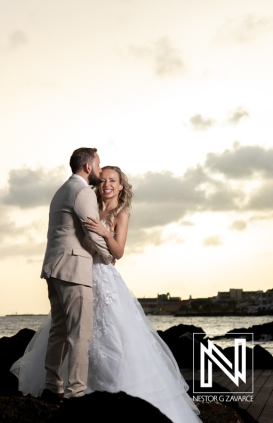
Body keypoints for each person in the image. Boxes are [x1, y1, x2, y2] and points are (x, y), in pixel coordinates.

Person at [11, 165, 202, 423]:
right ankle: (67, 387)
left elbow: (118, 252)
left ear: (121, 186)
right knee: (71, 331)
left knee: (109, 334)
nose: (107, 185)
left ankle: (110, 391)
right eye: (103, 180)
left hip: (105, 278)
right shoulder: (88, 204)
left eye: (113, 180)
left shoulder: (121, 214)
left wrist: (103, 232)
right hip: (81, 273)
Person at [36, 147, 114, 402]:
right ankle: (75, 392)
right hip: (73, 269)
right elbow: (92, 232)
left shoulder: (61, 190)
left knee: (59, 330)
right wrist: (110, 256)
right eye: (99, 165)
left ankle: (52, 387)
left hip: (54, 266)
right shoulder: (82, 192)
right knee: (81, 333)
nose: (101, 171)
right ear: (88, 167)